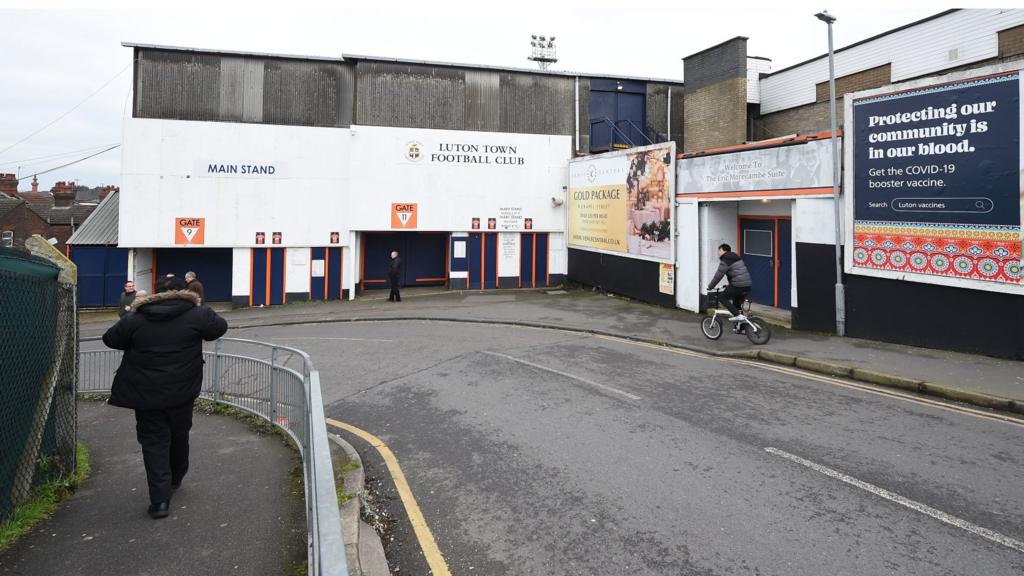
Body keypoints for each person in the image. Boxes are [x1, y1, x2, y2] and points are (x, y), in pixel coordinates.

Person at [102, 275, 228, 519]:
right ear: (184, 290)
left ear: (153, 292)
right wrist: (201, 307)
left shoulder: (138, 317)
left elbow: (110, 339)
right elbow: (219, 328)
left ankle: (160, 501)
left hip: (146, 393)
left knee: (153, 441)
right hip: (182, 391)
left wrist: (131, 318)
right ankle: (176, 476)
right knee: (179, 434)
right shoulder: (196, 314)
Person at [707, 243, 753, 325]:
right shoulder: (736, 257)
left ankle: (738, 316)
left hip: (738, 286)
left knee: (722, 297)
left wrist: (710, 286)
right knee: (736, 304)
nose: (718, 253)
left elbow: (718, 276)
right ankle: (741, 327)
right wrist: (729, 284)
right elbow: (736, 273)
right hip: (747, 285)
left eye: (719, 250)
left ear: (724, 251)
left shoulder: (725, 260)